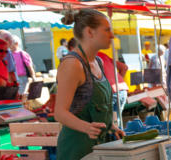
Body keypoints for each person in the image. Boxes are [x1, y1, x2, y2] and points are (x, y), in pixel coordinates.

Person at [54, 9, 125, 160]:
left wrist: (110, 126)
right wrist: (87, 128)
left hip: (99, 147)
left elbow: (96, 107)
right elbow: (60, 113)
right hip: (77, 149)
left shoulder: (97, 61)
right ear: (89, 32)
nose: (112, 35)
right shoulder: (72, 64)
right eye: (107, 30)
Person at [96, 52, 129, 129]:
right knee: (116, 122)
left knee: (112, 124)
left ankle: (116, 138)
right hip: (122, 90)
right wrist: (116, 81)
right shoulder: (102, 54)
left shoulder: (89, 57)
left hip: (109, 92)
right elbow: (124, 67)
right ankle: (118, 137)